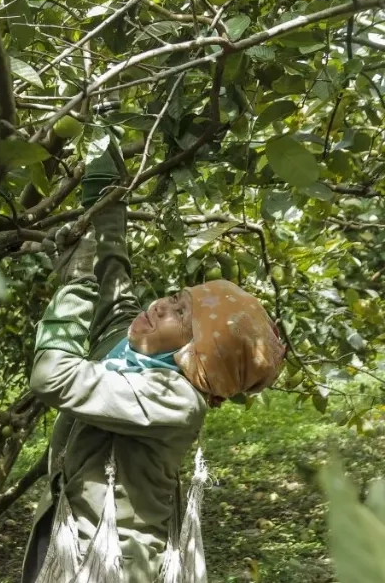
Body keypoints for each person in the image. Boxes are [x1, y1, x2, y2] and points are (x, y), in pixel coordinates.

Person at [20, 136, 286, 583]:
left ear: (196, 359)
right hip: (67, 527)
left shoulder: (173, 398)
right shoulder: (128, 343)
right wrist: (102, 164)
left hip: (111, 562)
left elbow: (54, 378)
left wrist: (75, 289)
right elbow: (113, 263)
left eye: (182, 315)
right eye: (176, 298)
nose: (162, 305)